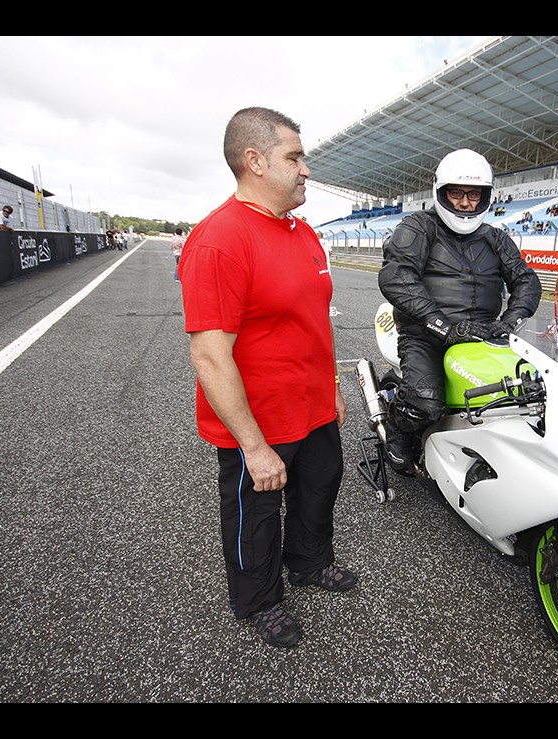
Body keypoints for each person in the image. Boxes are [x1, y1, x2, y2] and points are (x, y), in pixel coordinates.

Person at [178, 106, 356, 650]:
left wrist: (332, 388)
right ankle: (259, 600)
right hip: (259, 423)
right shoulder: (219, 240)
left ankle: (307, 563)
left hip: (315, 407)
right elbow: (210, 357)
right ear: (254, 161)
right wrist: (253, 446)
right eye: (295, 158)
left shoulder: (302, 232)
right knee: (256, 517)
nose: (306, 170)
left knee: (319, 490)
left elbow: (312, 322)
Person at [377, 148, 542, 474]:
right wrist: (442, 325)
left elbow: (527, 281)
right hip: (426, 335)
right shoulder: (419, 227)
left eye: (474, 194)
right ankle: (396, 423)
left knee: (530, 395)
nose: (465, 203)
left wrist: (510, 321)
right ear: (441, 192)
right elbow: (397, 277)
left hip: (484, 335)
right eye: (456, 193)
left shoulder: (496, 238)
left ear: (486, 197)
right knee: (425, 402)